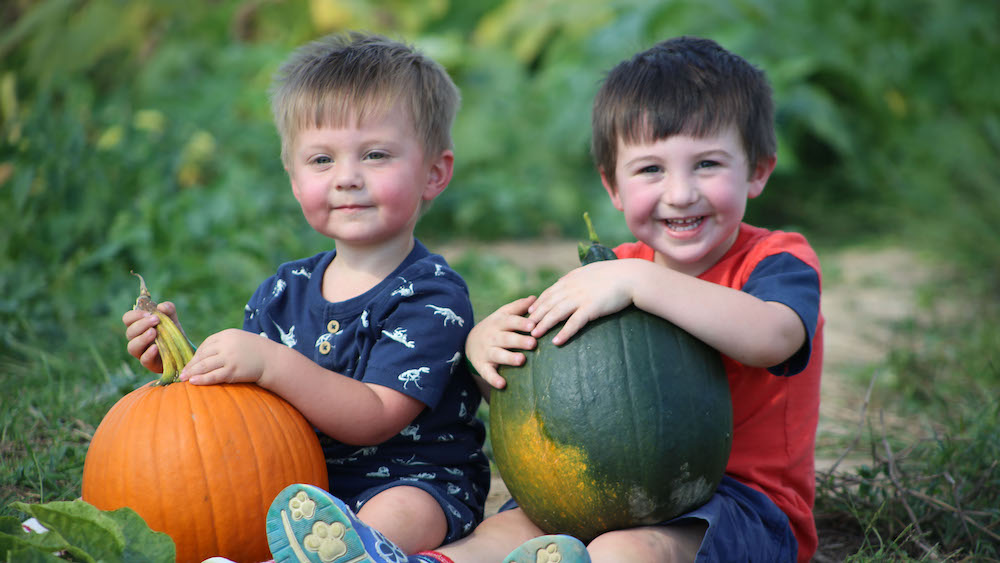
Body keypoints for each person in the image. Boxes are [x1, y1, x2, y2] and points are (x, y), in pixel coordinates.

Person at [284, 35, 823, 563]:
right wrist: (485, 350)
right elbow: (568, 395)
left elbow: (772, 339)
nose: (680, 192)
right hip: (601, 488)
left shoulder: (773, 262)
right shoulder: (610, 273)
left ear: (757, 170)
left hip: (737, 503)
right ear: (613, 186)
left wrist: (639, 281)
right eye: (651, 170)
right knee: (511, 531)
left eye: (707, 164)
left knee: (620, 550)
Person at [121, 32, 490, 558]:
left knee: (401, 511)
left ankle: (364, 550)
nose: (347, 178)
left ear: (434, 173)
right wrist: (182, 358)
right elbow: (251, 412)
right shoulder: (281, 292)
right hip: (296, 482)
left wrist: (270, 363)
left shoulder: (432, 296)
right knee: (239, 509)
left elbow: (373, 415)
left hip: (414, 479)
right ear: (294, 179)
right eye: (321, 161)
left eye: (376, 154)